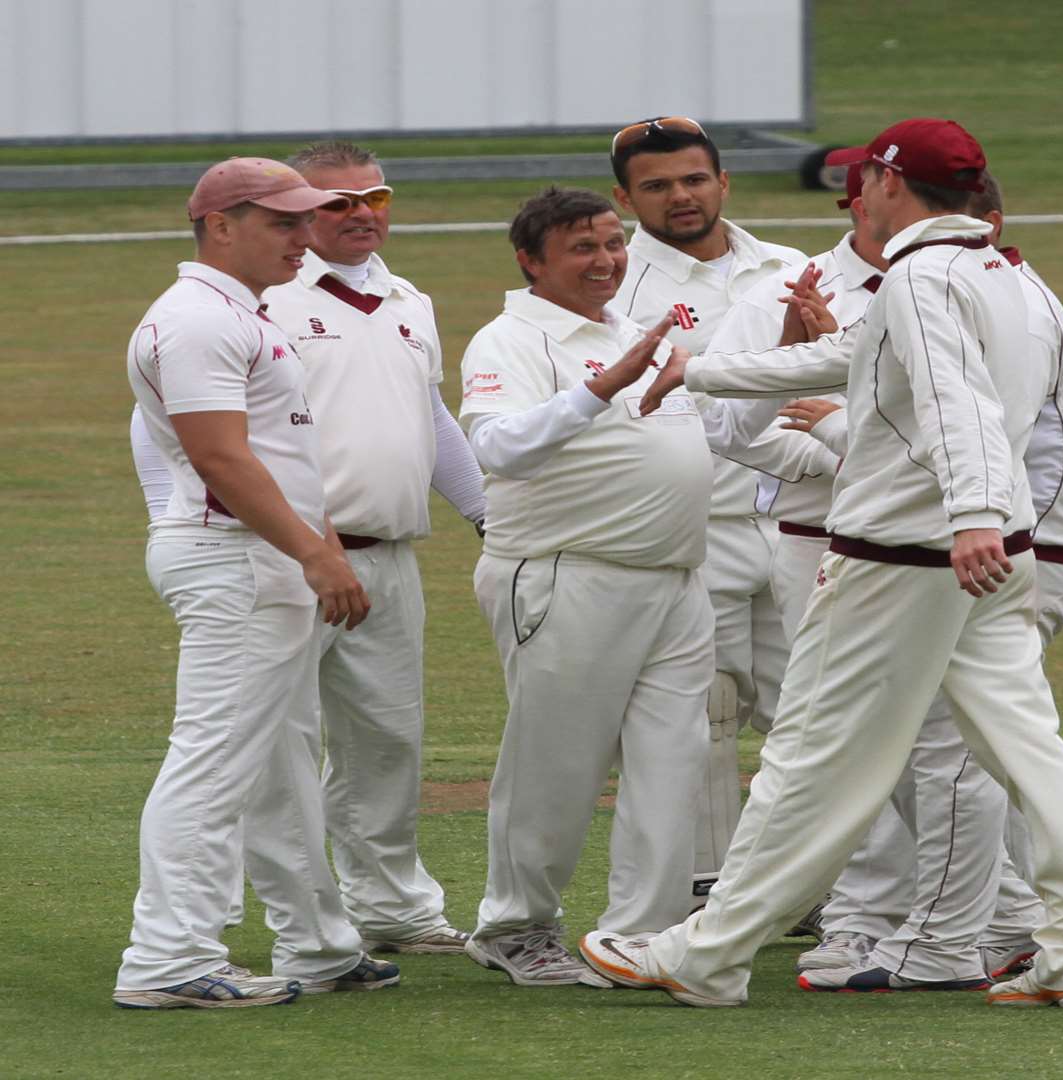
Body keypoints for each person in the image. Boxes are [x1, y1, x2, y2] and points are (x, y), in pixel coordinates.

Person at [577, 118, 1063, 1008]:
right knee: (1031, 751)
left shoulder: (917, 277)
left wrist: (973, 515)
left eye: (865, 176)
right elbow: (858, 356)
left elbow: (957, 405)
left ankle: (706, 952)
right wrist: (703, 369)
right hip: (994, 558)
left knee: (807, 754)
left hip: (906, 558)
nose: (855, 191)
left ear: (887, 181)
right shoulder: (1012, 273)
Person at [786, 170, 1063, 992]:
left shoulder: (969, 284)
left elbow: (982, 428)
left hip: (1010, 544)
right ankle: (1027, 928)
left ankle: (951, 942)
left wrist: (843, 419)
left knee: (952, 748)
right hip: (1011, 540)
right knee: (992, 743)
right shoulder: (991, 284)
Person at [132, 141, 485, 954]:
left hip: (369, 550)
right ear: (228, 226)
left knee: (384, 740)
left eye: (376, 197)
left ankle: (382, 911)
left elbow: (425, 419)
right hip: (268, 554)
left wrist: (486, 514)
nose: (359, 214)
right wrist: (186, 526)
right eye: (328, 206)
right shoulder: (238, 309)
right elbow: (183, 438)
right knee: (255, 755)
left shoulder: (402, 299)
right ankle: (256, 935)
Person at [116, 158, 398, 1008]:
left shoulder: (240, 312)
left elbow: (257, 454)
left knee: (271, 764)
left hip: (250, 556)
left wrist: (307, 551)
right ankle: (167, 959)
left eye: (303, 220)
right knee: (214, 763)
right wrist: (316, 553)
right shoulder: (200, 319)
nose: (304, 237)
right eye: (283, 223)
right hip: (236, 560)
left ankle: (312, 946)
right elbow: (219, 456)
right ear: (219, 224)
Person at [457, 187, 712, 986]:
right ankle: (515, 924)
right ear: (531, 261)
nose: (605, 261)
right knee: (556, 764)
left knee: (677, 761)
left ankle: (642, 935)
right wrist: (601, 389)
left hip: (675, 578)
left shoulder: (637, 332)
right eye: (581, 248)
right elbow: (498, 448)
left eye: (611, 243)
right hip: (568, 575)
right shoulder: (510, 339)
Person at [605, 116, 814, 911]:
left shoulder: (789, 267)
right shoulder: (619, 286)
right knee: (704, 714)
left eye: (694, 179)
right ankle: (706, 890)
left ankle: (817, 885)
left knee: (813, 710)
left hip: (797, 521)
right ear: (626, 198)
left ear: (723, 182)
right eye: (656, 186)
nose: (680, 197)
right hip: (694, 532)